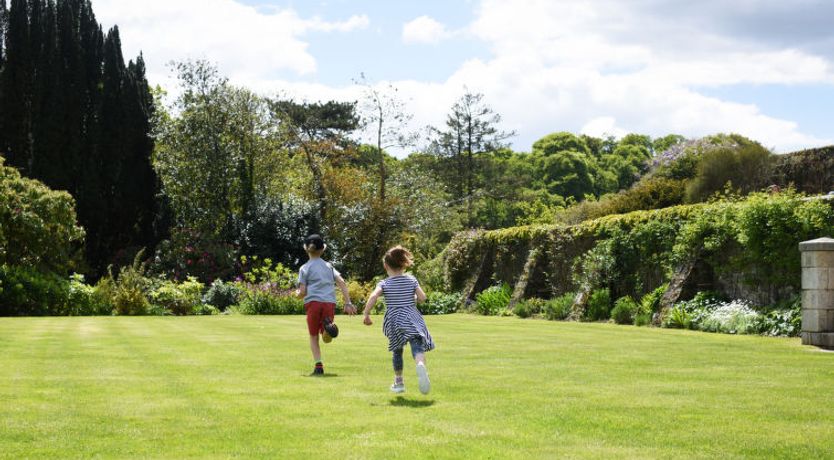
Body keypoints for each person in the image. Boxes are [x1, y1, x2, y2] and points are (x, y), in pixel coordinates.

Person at [363, 246, 435, 394]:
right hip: (412, 317)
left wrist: (366, 314)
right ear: (403, 264)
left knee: (397, 350)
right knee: (417, 345)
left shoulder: (384, 283)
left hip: (394, 320)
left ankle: (399, 382)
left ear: (385, 265)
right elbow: (422, 298)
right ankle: (420, 364)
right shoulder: (411, 280)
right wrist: (413, 298)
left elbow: (373, 296)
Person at [296, 234, 356, 376]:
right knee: (324, 333)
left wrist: (296, 293)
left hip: (313, 303)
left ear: (306, 249)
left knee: (312, 336)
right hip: (329, 303)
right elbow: (341, 282)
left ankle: (318, 365)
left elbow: (303, 292)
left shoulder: (304, 268)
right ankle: (326, 328)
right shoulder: (329, 267)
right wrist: (348, 302)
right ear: (323, 250)